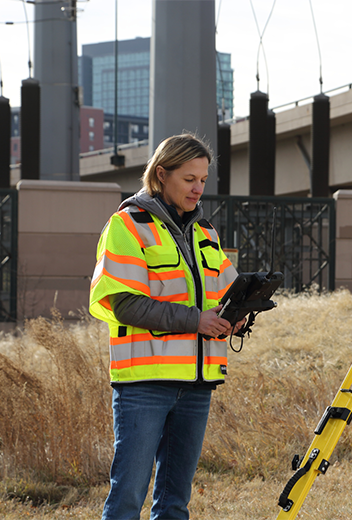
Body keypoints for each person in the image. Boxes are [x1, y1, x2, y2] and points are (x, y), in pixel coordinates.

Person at [89, 133, 244, 520]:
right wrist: (197, 320)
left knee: (175, 503)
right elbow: (123, 304)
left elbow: (223, 294)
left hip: (195, 385)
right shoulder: (127, 225)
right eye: (189, 178)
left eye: (204, 179)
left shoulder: (205, 233)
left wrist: (237, 315)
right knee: (127, 500)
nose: (199, 188)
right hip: (144, 385)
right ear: (162, 174)